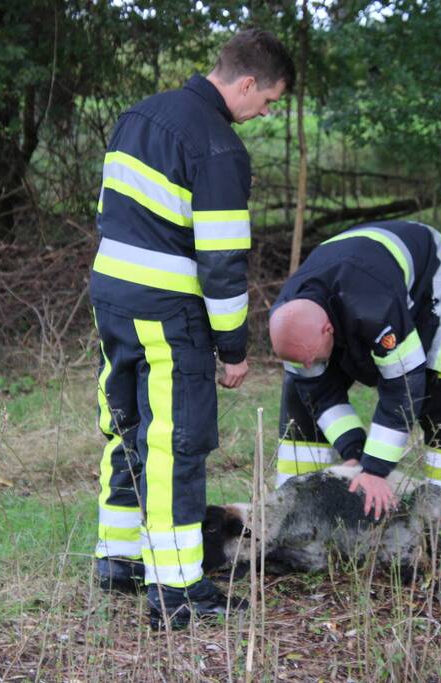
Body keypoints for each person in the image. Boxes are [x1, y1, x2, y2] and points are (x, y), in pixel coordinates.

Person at [89, 29, 295, 629]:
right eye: (269, 100)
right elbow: (222, 261)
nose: (265, 112)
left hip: (111, 295)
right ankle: (177, 589)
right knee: (175, 443)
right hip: (167, 309)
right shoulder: (218, 146)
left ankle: (119, 559)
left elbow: (109, 212)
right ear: (247, 83)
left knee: (125, 424)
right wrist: (232, 348)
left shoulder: (139, 115)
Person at [269, 220, 441, 520]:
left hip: (430, 280)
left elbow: (404, 388)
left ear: (328, 330)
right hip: (353, 281)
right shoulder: (290, 319)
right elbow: (319, 394)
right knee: (299, 395)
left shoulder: (374, 308)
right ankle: (293, 510)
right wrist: (354, 453)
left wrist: (375, 470)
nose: (307, 365)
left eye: (310, 358)